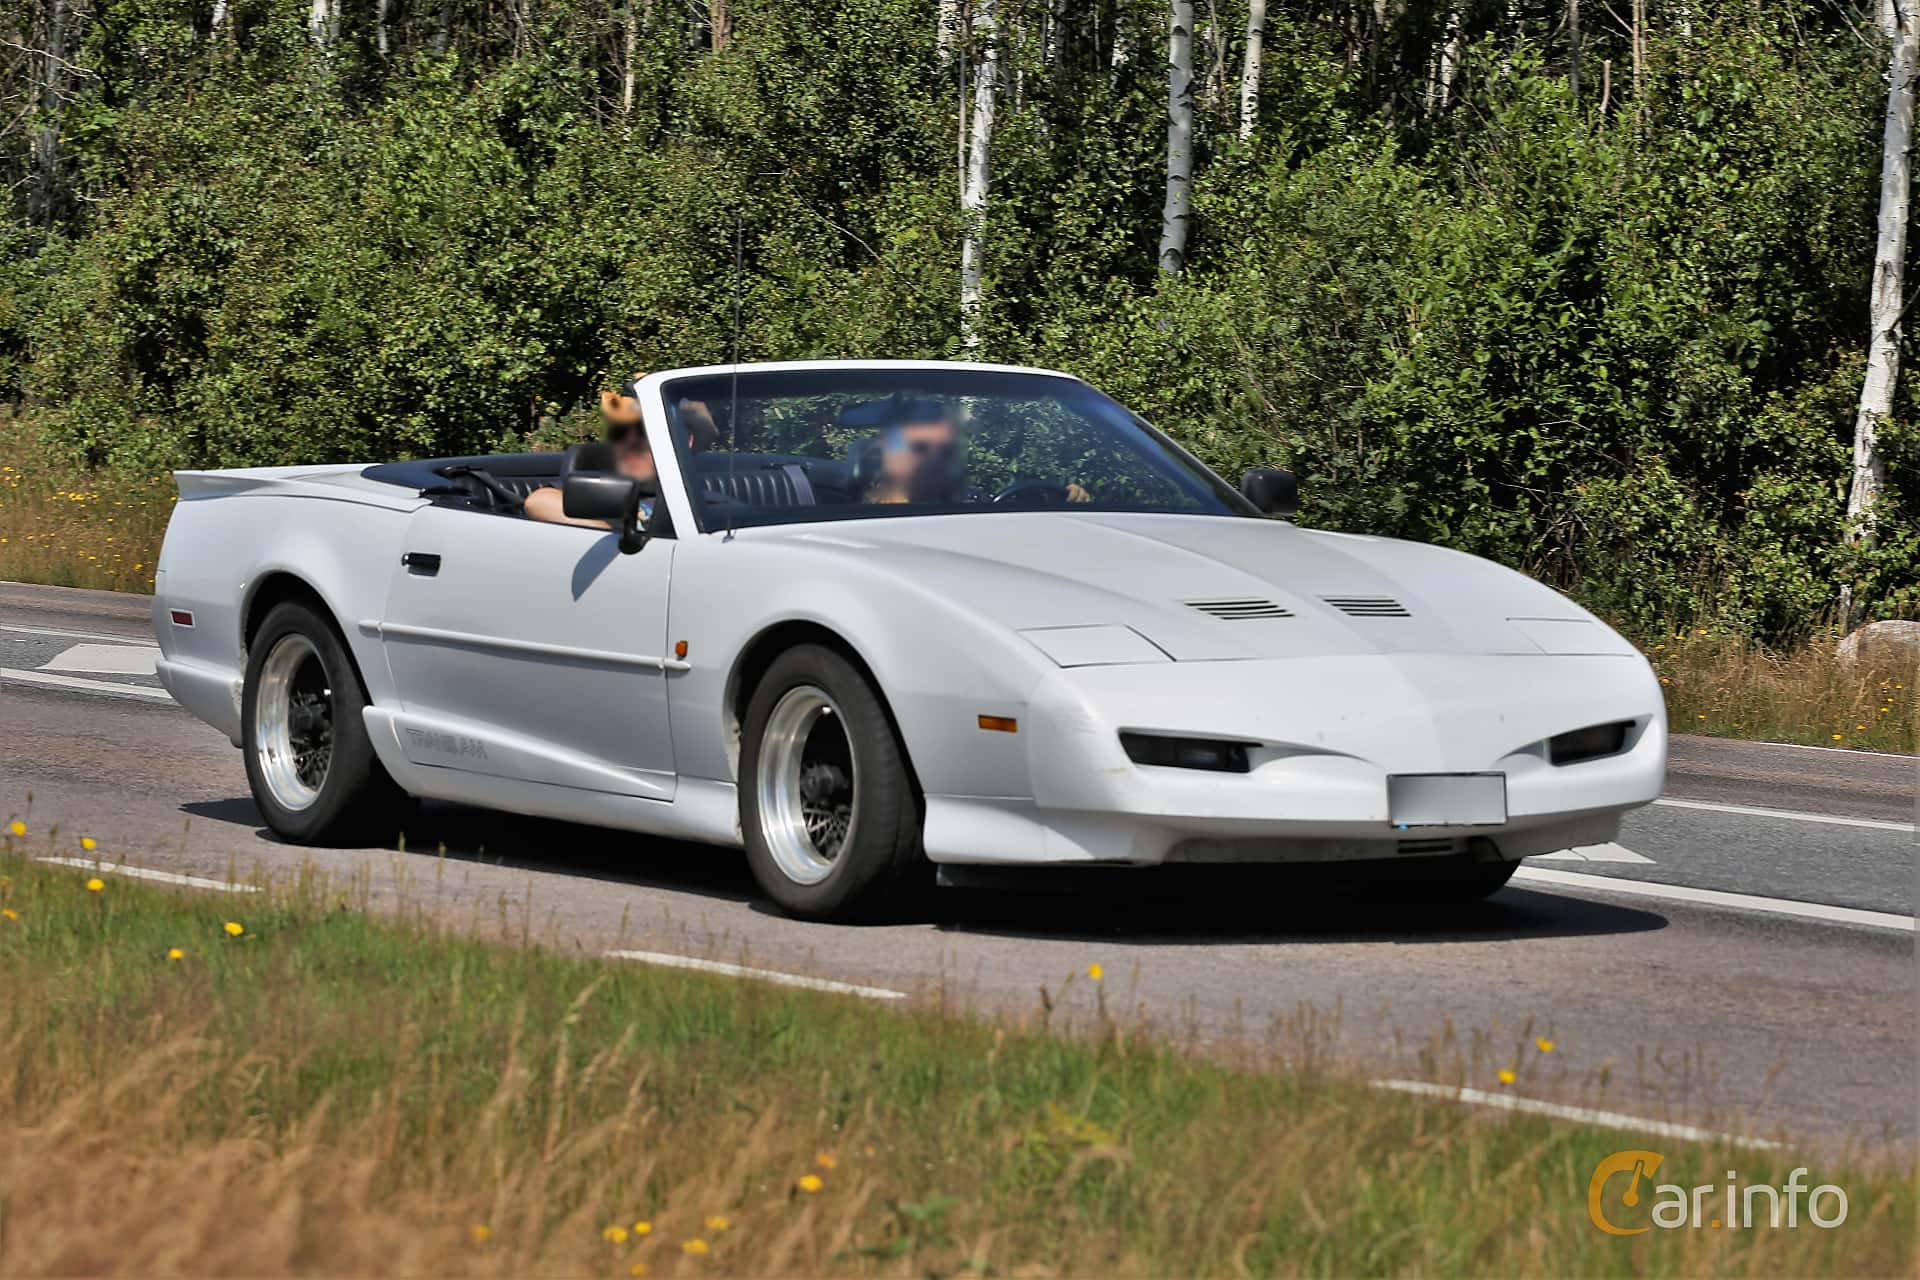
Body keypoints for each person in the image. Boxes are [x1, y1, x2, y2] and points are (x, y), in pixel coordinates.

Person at [526, 375, 719, 528]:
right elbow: (538, 501)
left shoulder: (698, 499)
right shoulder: (609, 482)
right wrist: (607, 532)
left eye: (647, 431)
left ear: (687, 441)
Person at [861, 398, 1092, 506]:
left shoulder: (975, 504)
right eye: (919, 448)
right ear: (888, 453)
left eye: (945, 450)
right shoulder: (853, 518)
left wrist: (1071, 502)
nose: (934, 460)